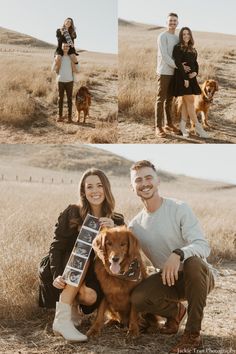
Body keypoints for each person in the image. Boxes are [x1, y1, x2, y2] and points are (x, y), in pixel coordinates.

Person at [128, 160, 215, 354]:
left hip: (199, 276)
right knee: (138, 297)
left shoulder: (179, 208)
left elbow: (203, 246)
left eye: (149, 177)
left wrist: (178, 253)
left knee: (192, 262)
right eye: (138, 180)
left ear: (158, 180)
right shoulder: (134, 226)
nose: (144, 183)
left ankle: (192, 335)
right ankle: (176, 312)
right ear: (132, 187)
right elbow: (125, 252)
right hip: (169, 280)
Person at [38, 168, 125, 342]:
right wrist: (56, 275)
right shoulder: (73, 212)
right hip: (64, 268)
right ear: (83, 191)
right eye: (89, 187)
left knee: (90, 296)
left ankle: (73, 307)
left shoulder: (116, 219)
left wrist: (114, 230)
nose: (95, 191)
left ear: (106, 189)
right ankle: (62, 320)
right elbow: (56, 246)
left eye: (99, 186)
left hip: (91, 274)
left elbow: (122, 254)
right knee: (83, 249)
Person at [172, 27, 208, 138]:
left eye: (188, 34)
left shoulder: (193, 49)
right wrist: (186, 79)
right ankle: (198, 128)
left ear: (190, 35)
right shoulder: (177, 48)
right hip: (182, 78)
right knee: (191, 102)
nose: (186, 36)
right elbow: (178, 63)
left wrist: (195, 73)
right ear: (181, 36)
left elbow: (195, 64)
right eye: (184, 34)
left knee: (186, 104)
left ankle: (182, 127)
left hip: (192, 79)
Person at [155, 13, 185, 138]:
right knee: (160, 99)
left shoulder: (177, 38)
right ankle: (158, 127)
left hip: (175, 73)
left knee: (170, 100)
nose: (172, 22)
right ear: (166, 22)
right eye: (170, 20)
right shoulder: (162, 36)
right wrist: (178, 66)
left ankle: (169, 124)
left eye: (175, 21)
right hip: (164, 72)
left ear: (177, 23)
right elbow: (165, 56)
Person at [53, 42, 78, 123]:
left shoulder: (71, 58)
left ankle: (69, 118)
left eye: (67, 46)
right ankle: (59, 116)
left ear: (69, 47)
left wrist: (75, 64)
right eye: (64, 46)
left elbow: (77, 68)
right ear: (61, 47)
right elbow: (53, 68)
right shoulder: (59, 57)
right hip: (60, 81)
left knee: (69, 99)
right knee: (60, 99)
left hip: (69, 81)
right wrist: (56, 62)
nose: (66, 48)